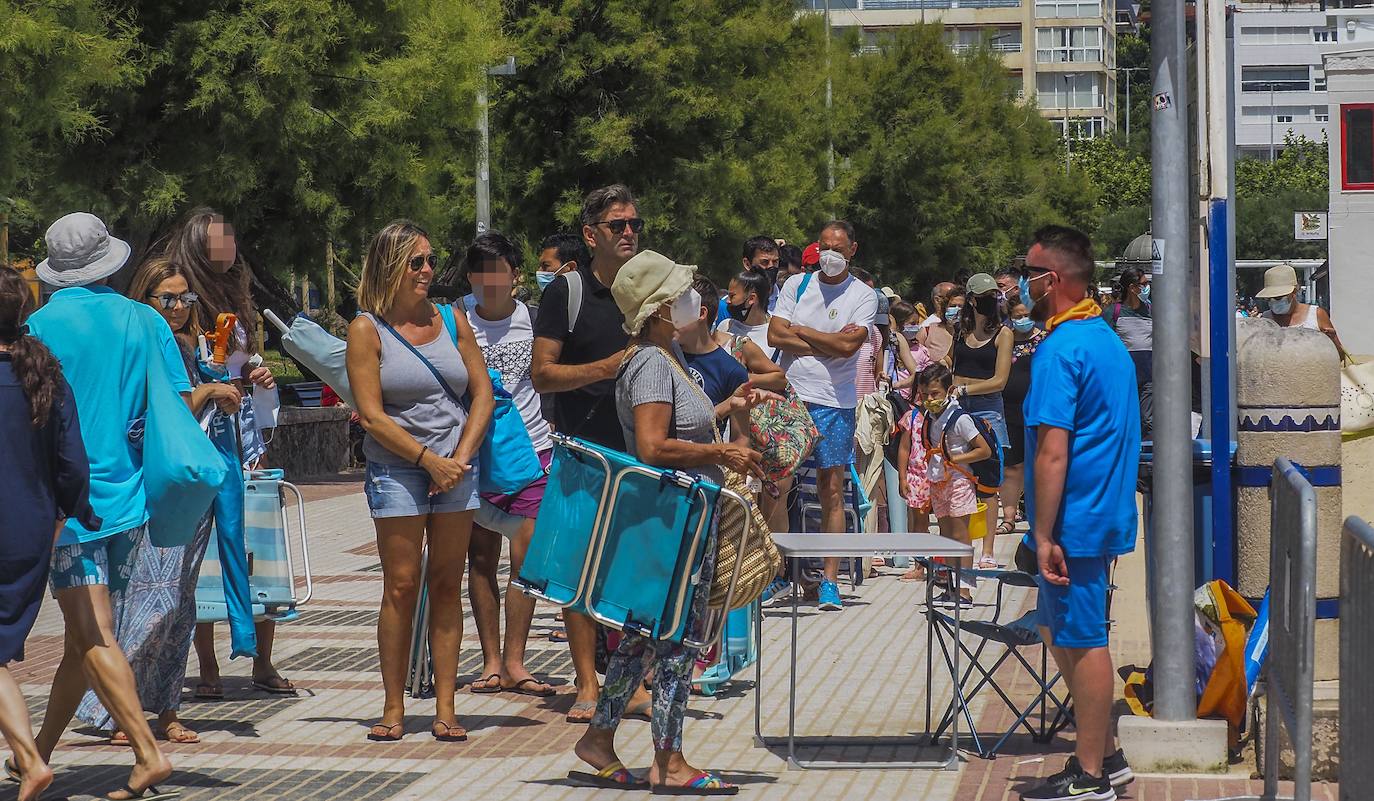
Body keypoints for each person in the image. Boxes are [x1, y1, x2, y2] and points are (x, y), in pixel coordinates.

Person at [570, 249, 759, 794]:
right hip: (673, 518)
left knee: (641, 638)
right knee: (677, 641)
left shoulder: (663, 358)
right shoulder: (652, 362)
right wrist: (722, 457)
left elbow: (682, 427)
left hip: (676, 515)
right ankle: (669, 761)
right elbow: (653, 445)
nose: (688, 299)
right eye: (677, 294)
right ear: (658, 310)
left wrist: (726, 413)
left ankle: (600, 738)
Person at [28, 212, 175, 801]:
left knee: (94, 636)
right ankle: (35, 752)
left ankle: (146, 753)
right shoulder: (144, 319)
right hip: (131, 501)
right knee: (82, 638)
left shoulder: (37, 327)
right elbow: (174, 402)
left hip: (68, 509)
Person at [74, 258, 243, 746]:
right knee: (148, 599)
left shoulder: (188, 346)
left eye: (184, 298)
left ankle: (166, 708)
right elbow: (154, 416)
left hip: (188, 484)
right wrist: (210, 391)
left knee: (179, 602)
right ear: (143, 298)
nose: (177, 307)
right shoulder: (140, 340)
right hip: (151, 486)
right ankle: (117, 712)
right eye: (165, 298)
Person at [346, 220, 494, 743]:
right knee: (402, 585)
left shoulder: (453, 320)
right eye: (416, 262)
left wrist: (459, 456)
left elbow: (482, 394)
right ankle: (392, 708)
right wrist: (429, 461)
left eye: (431, 260)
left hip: (456, 463)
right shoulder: (367, 328)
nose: (428, 270)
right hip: (398, 466)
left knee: (447, 583)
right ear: (390, 266)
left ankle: (447, 707)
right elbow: (371, 414)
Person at [1020, 226, 1140, 801]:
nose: (1024, 282)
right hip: (1096, 511)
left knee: (1085, 639)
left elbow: (1052, 449)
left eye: (1031, 271)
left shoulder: (1062, 347)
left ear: (1055, 279)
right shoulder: (1102, 338)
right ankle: (1108, 753)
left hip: (1076, 521)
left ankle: (1090, 774)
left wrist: (1042, 533)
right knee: (1053, 625)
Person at [161, 208, 291, 700]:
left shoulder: (239, 296)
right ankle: (208, 665)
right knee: (198, 557)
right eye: (219, 238)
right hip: (200, 437)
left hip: (242, 437)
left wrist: (257, 374)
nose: (230, 245)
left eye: (232, 236)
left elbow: (242, 360)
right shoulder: (183, 304)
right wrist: (219, 386)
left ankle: (261, 658)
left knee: (255, 548)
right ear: (197, 243)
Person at [531, 184, 640, 723]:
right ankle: (588, 683)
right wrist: (606, 367)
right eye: (617, 225)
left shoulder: (645, 289)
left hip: (641, 454)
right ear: (591, 233)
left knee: (629, 573)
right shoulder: (566, 292)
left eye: (634, 225)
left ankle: (630, 682)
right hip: (583, 454)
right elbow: (542, 372)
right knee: (580, 575)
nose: (628, 233)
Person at [0, 266, 98, 801]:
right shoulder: (43, 376)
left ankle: (31, 760)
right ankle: (26, 756)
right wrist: (66, 511)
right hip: (30, 531)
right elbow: (72, 462)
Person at [461, 232, 557, 697]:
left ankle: (517, 660)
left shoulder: (535, 320)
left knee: (526, 553)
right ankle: (491, 661)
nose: (488, 280)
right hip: (475, 454)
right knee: (480, 557)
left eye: (497, 269)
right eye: (479, 271)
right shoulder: (456, 323)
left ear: (515, 275)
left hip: (533, 451)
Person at [769, 221, 877, 611]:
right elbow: (775, 336)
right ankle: (776, 573)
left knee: (832, 490)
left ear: (852, 250)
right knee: (777, 486)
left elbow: (849, 348)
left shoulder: (865, 295)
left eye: (838, 247)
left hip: (836, 402)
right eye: (824, 246)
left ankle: (830, 579)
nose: (830, 254)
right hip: (792, 397)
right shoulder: (797, 285)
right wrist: (825, 342)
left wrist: (801, 331)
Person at [915, 363, 992, 608]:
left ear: (949, 391)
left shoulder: (961, 419)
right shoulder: (930, 416)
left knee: (961, 538)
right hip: (939, 481)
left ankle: (965, 592)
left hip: (959, 480)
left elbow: (984, 450)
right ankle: (950, 588)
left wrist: (956, 459)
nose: (929, 399)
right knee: (947, 537)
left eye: (935, 394)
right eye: (925, 394)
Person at [952, 273, 1012, 569]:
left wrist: (965, 389)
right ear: (972, 300)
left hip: (987, 409)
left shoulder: (1003, 333)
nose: (992, 301)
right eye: (986, 296)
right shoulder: (959, 331)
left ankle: (987, 550)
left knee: (988, 484)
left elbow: (1000, 380)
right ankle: (960, 548)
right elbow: (952, 365)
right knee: (957, 477)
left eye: (995, 296)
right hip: (957, 406)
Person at [998, 301, 1044, 539]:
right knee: (1012, 465)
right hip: (1009, 410)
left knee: (1037, 467)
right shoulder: (1004, 338)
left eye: (1026, 315)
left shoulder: (1044, 339)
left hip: (1038, 410)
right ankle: (1008, 517)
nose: (1023, 319)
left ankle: (1039, 519)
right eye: (1018, 315)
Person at [1257, 262, 1347, 359]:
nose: (1273, 302)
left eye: (1278, 297)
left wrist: (1332, 339)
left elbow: (1340, 356)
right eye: (1269, 298)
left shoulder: (1316, 315)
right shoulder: (1266, 319)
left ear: (1294, 292)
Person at [1105, 267, 1154, 440]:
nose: (1147, 287)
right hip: (1123, 377)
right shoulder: (1113, 312)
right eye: (1144, 284)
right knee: (1125, 420)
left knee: (1148, 421)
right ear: (1132, 288)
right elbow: (1106, 345)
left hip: (1149, 376)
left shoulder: (1151, 310)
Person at [715, 235, 780, 324]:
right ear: (747, 264)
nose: (771, 267)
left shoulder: (788, 299)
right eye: (765, 262)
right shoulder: (727, 306)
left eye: (775, 262)